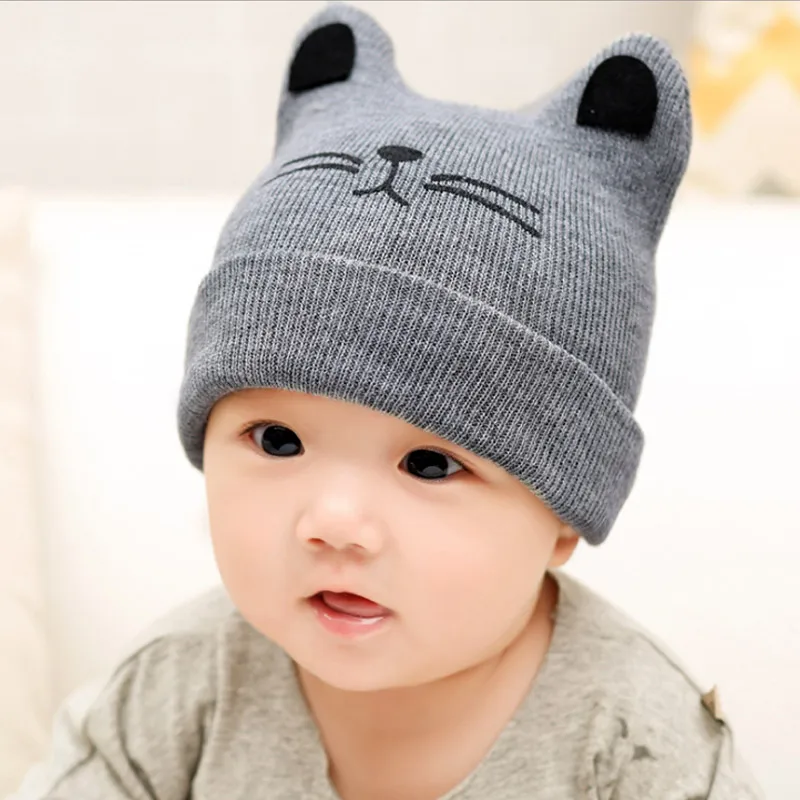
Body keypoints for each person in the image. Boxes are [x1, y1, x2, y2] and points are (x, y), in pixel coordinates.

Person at [10, 4, 765, 799]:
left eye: (431, 463)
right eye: (276, 440)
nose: (334, 521)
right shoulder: (175, 692)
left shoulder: (639, 745)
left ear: (565, 517)